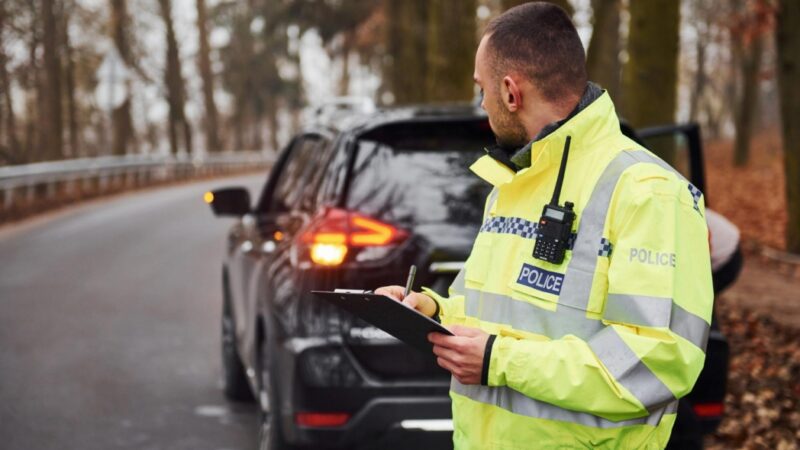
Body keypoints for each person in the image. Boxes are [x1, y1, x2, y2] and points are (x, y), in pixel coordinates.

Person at [376, 3, 713, 449]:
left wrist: (499, 360)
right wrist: (435, 313)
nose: (482, 104)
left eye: (483, 89)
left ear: (511, 92)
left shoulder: (649, 192)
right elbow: (505, 316)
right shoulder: (513, 183)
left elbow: (656, 362)